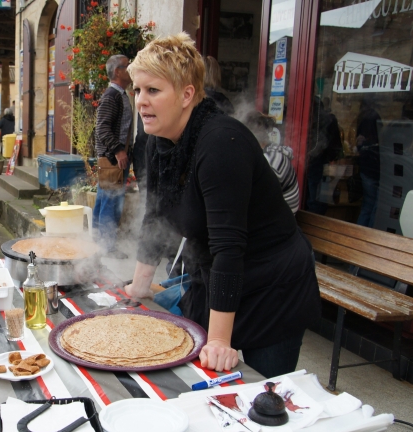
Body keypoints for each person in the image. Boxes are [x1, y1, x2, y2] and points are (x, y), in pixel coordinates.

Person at [124, 33, 320, 378]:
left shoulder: (221, 143)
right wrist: (138, 288)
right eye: (137, 90)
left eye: (153, 90)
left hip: (272, 288)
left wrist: (217, 340)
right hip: (214, 279)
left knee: (261, 396)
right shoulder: (157, 140)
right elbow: (155, 216)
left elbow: (228, 249)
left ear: (187, 94)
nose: (140, 101)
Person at [93, 54, 133, 259]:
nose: (131, 68)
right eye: (128, 65)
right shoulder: (112, 96)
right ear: (118, 71)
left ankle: (98, 245)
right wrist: (118, 151)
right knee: (111, 203)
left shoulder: (119, 94)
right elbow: (102, 128)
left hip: (111, 158)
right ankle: (107, 248)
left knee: (104, 201)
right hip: (112, 159)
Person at [246, 111, 300, 213]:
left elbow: (257, 195)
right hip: (274, 218)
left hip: (279, 224)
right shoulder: (265, 154)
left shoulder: (272, 159)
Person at [355, 96, 381, 228]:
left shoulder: (361, 118)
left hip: (365, 167)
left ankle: (361, 233)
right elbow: (377, 140)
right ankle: (369, 236)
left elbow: (359, 144)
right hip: (374, 168)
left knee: (367, 205)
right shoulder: (373, 117)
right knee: (376, 206)